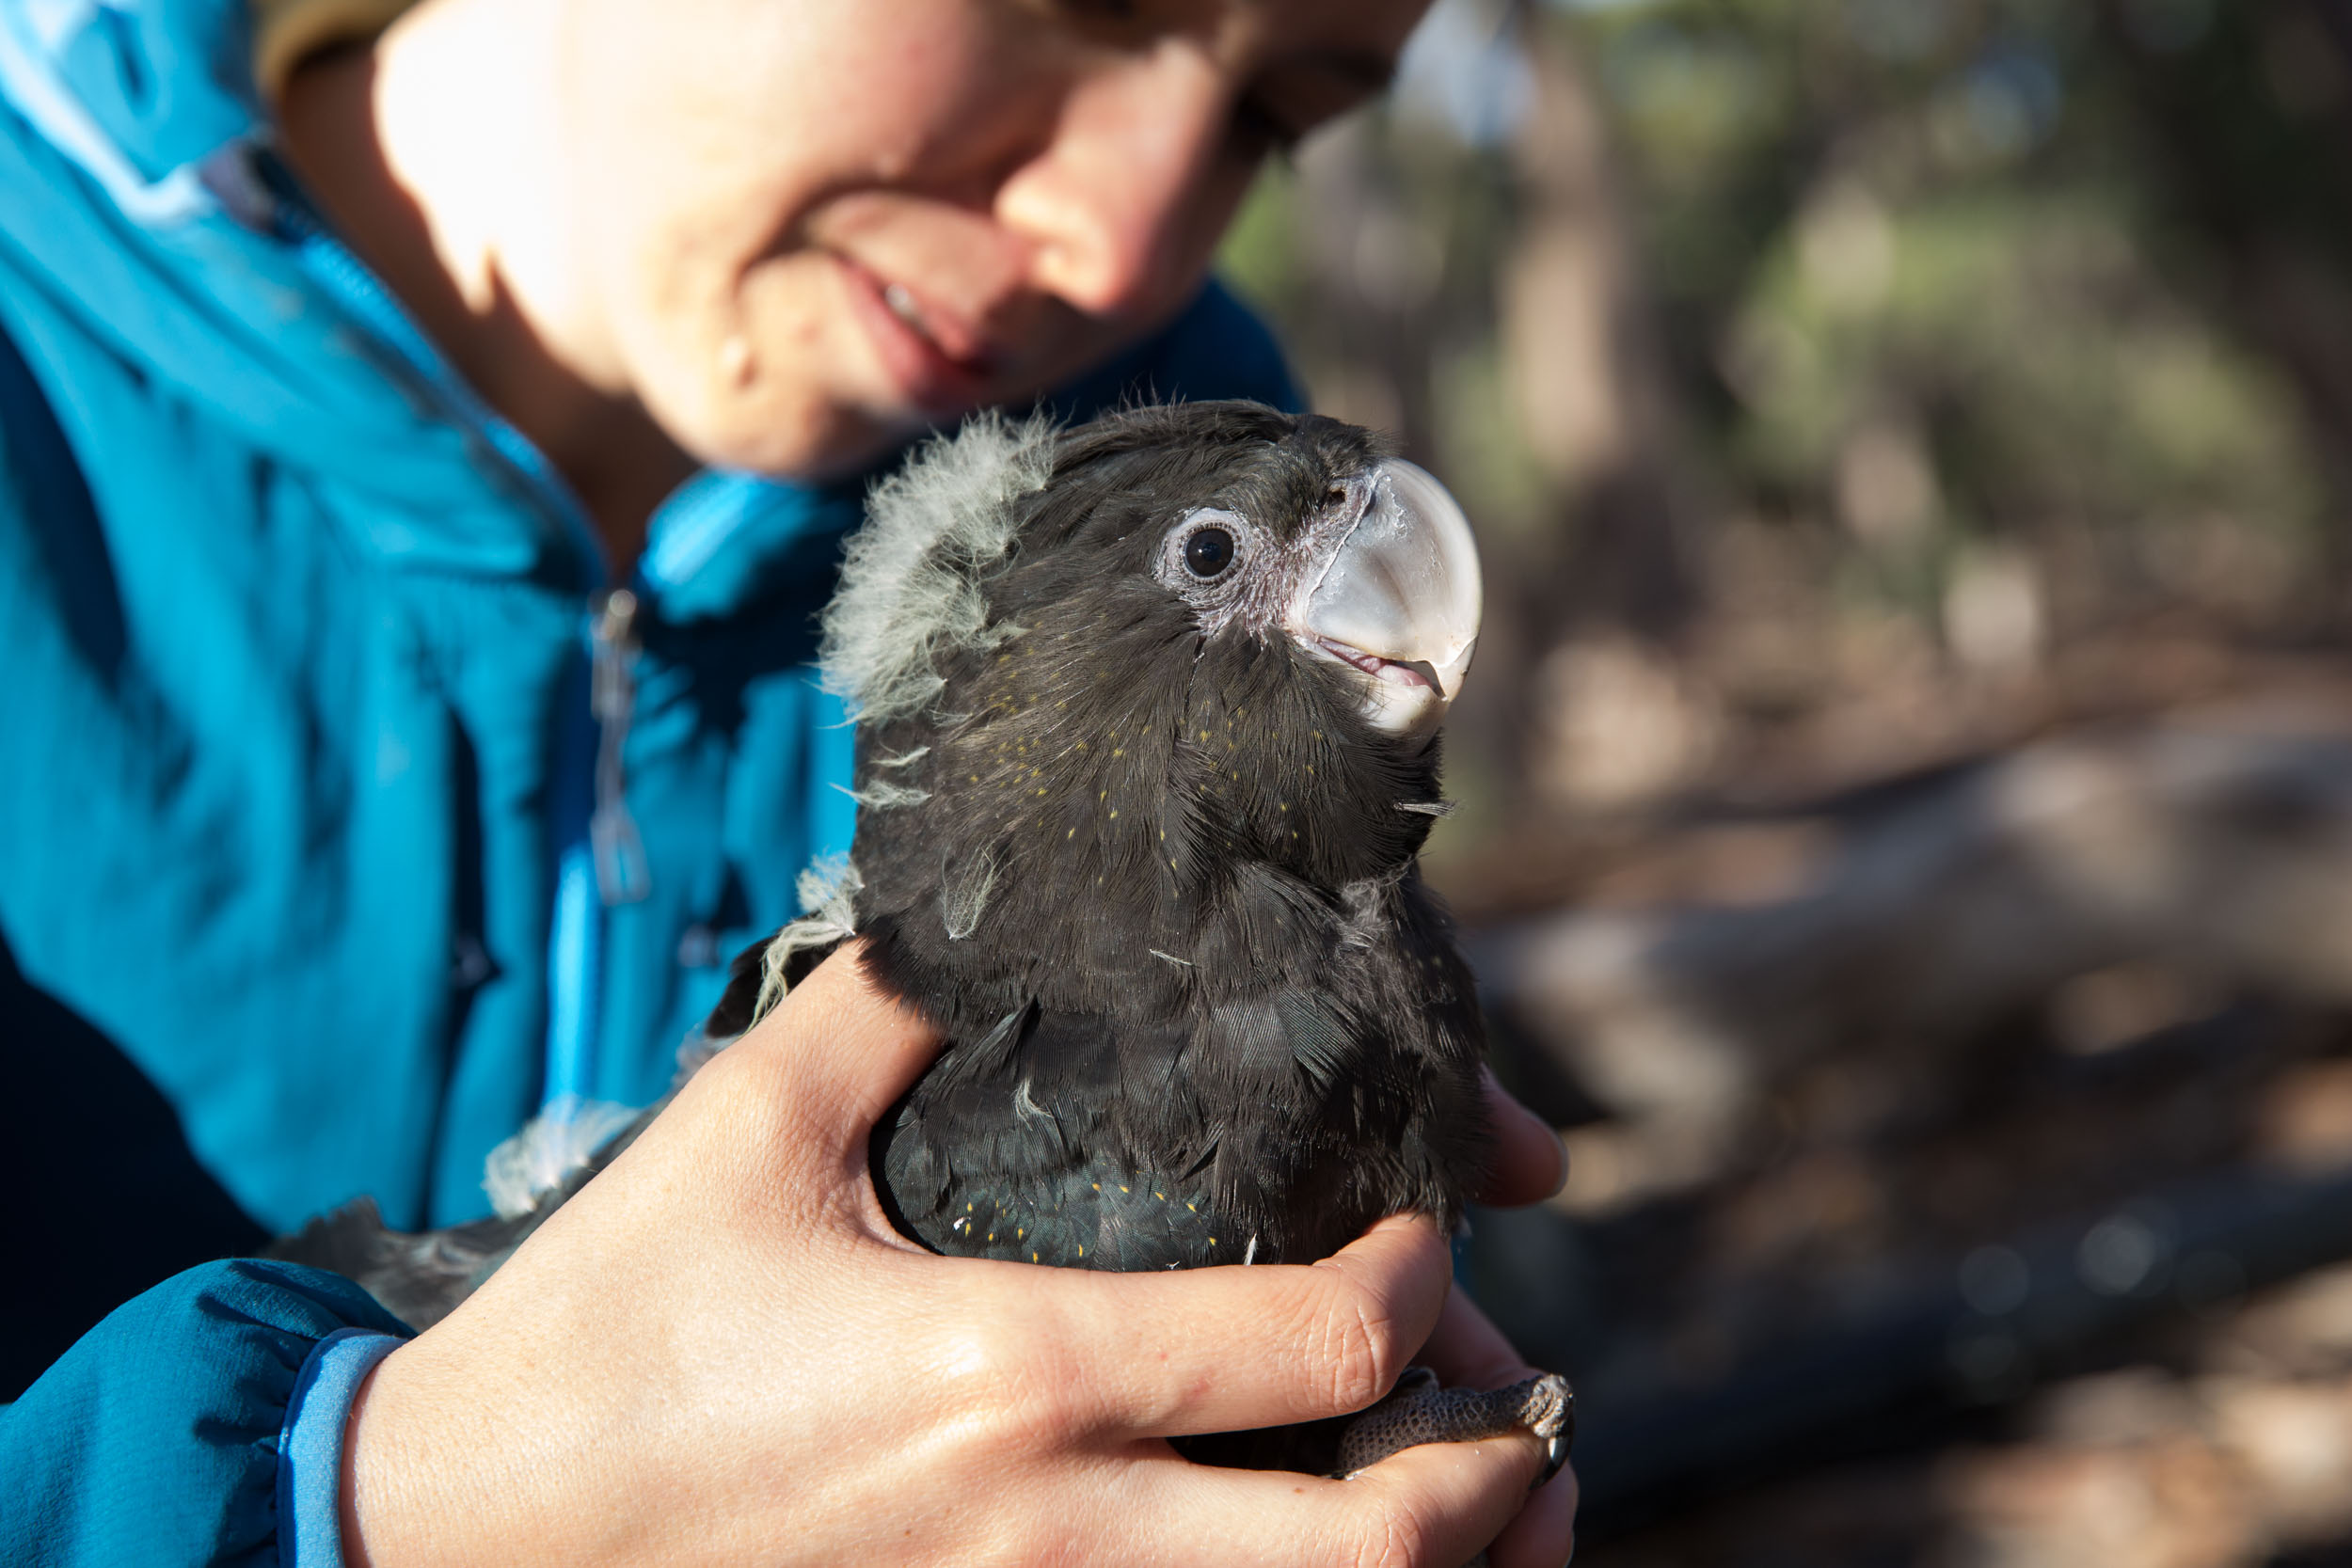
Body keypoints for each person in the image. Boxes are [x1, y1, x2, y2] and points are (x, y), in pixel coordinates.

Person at [0, 0, 1580, 1562]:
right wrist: (357, 1503)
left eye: (1274, 121)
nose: (1115, 241)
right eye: (1078, 7)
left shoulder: (1145, 429)